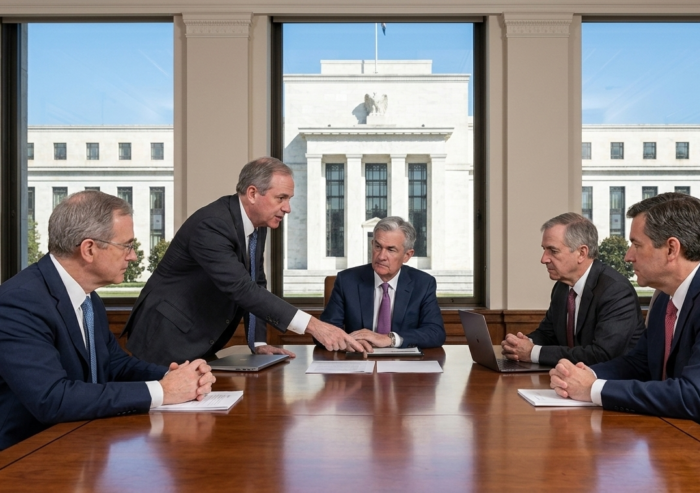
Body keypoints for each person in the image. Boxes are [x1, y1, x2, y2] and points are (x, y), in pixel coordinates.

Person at [0, 191, 215, 451]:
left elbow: (114, 364)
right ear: (89, 249)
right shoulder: (18, 302)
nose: (133, 256)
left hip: (82, 444)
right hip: (25, 456)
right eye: (126, 246)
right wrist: (162, 391)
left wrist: (176, 377)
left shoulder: (87, 296)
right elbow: (52, 399)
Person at [124, 156, 364, 365]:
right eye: (281, 198)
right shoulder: (212, 225)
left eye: (289, 199)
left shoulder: (259, 225)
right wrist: (314, 326)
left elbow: (255, 282)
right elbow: (241, 288)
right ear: (252, 194)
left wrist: (258, 342)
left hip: (198, 339)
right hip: (165, 337)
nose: (288, 208)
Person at [550, 193, 700, 446]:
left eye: (636, 245)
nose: (628, 256)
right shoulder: (665, 297)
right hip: (673, 438)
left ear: (671, 249)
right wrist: (585, 374)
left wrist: (593, 389)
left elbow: (695, 396)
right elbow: (640, 363)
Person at [502, 213, 644, 366]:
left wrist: (532, 353)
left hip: (612, 379)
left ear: (581, 253)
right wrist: (520, 344)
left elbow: (602, 354)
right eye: (544, 249)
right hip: (571, 376)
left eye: (553, 251)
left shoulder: (616, 290)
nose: (544, 259)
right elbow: (548, 334)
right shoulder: (562, 287)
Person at [321, 217, 445, 350]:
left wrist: (390, 339)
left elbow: (435, 333)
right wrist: (348, 343)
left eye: (391, 250)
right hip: (360, 357)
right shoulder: (347, 281)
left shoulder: (423, 284)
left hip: (403, 361)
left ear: (407, 255)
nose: (381, 256)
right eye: (378, 246)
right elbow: (324, 332)